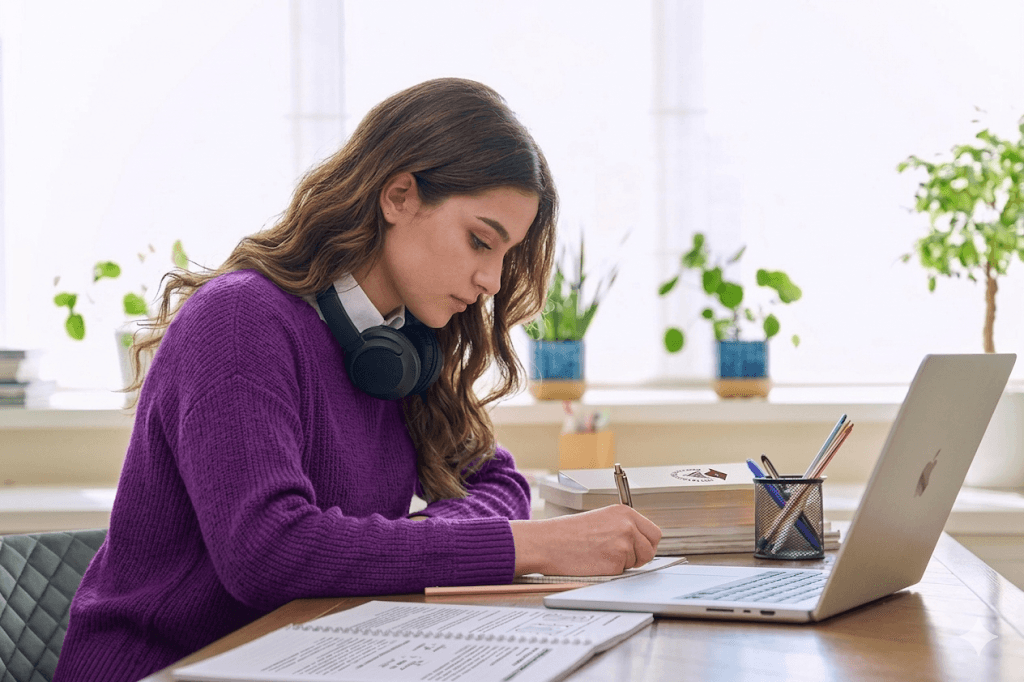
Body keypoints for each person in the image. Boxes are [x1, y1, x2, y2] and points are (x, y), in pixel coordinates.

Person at [53, 78, 661, 682]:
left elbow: (499, 480)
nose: (493, 281)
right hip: (166, 666)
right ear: (398, 196)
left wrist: (411, 540)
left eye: (506, 255)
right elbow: (267, 553)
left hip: (302, 657)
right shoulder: (240, 321)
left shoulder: (398, 347)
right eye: (481, 241)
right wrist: (529, 545)